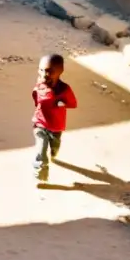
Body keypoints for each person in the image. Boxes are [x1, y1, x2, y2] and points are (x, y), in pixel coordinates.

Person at [31, 53, 77, 184]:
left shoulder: (64, 89)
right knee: (41, 147)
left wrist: (61, 104)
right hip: (40, 123)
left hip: (56, 126)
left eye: (49, 71)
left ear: (60, 71)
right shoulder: (40, 84)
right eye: (41, 70)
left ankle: (54, 154)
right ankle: (40, 174)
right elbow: (36, 97)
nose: (44, 74)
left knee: (54, 147)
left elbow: (73, 104)